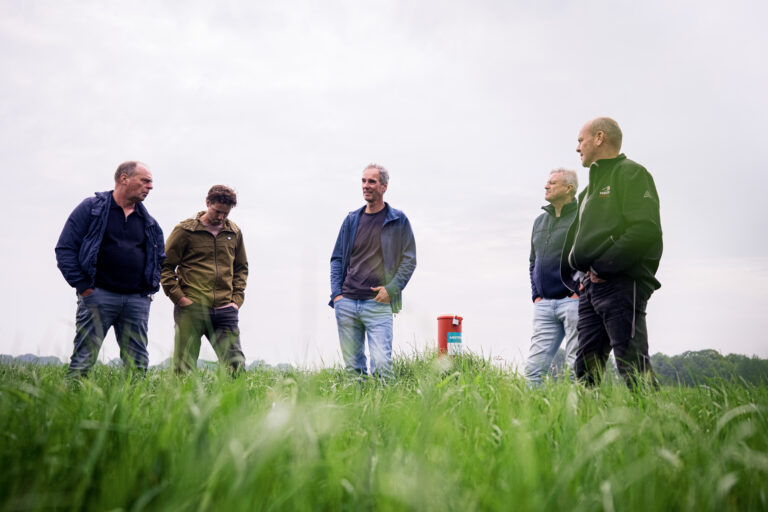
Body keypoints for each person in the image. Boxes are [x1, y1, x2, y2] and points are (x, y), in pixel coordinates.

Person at [561, 117, 663, 389]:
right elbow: (578, 242)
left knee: (631, 364)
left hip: (620, 283)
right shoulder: (588, 191)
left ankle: (657, 428)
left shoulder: (631, 173)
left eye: (580, 140)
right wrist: (580, 278)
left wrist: (603, 269)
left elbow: (645, 231)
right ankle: (583, 427)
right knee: (586, 366)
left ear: (599, 138)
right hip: (590, 288)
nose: (577, 147)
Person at [55, 161, 165, 378]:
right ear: (124, 178)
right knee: (83, 359)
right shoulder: (91, 209)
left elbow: (159, 258)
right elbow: (65, 248)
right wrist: (84, 286)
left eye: (150, 182)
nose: (150, 187)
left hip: (136, 300)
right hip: (98, 295)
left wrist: (147, 292)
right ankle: (75, 403)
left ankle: (137, 409)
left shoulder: (149, 222)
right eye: (145, 181)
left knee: (137, 364)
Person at [329, 164, 416, 381]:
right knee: (353, 370)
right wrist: (337, 296)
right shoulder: (351, 219)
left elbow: (409, 259)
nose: (366, 186)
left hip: (378, 303)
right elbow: (337, 259)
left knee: (382, 365)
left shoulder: (398, 220)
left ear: (384, 186)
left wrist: (392, 289)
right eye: (363, 181)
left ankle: (388, 413)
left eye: (372, 182)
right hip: (347, 302)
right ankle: (359, 413)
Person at [161, 185, 248, 374]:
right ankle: (184, 403)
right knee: (184, 367)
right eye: (217, 211)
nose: (220, 217)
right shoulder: (185, 230)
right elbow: (165, 266)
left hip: (225, 309)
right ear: (207, 203)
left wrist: (236, 300)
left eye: (225, 213)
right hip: (191, 308)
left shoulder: (234, 233)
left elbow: (241, 268)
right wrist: (180, 298)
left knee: (236, 365)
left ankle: (236, 403)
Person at [525, 168, 581, 386]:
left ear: (569, 189)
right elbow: (532, 261)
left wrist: (579, 291)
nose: (546, 186)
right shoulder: (539, 222)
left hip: (573, 301)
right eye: (547, 182)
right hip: (544, 305)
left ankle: (580, 414)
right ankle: (535, 417)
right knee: (533, 370)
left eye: (553, 183)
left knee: (577, 368)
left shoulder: (582, 218)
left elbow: (592, 255)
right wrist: (536, 294)